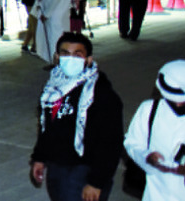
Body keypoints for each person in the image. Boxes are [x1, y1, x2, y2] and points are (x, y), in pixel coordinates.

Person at [30, 32, 123, 201]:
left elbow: (111, 142)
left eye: (77, 55)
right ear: (57, 57)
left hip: (84, 170)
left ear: (88, 59)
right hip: (57, 166)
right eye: (65, 54)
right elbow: (48, 128)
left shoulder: (101, 94)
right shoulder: (53, 88)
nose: (70, 59)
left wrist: (96, 182)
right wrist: (40, 158)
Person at [124, 59, 185, 201]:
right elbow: (132, 142)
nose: (178, 105)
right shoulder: (149, 110)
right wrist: (146, 157)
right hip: (155, 195)